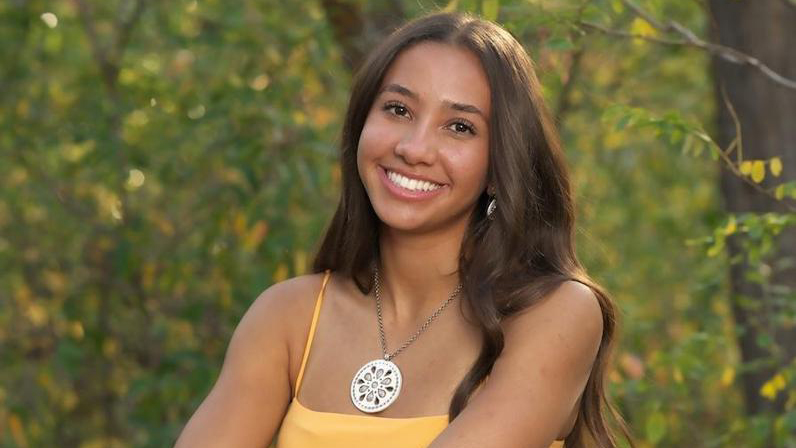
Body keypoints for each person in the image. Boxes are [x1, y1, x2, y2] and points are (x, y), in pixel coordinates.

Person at [174, 10, 634, 448]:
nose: (415, 149)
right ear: (360, 126)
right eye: (398, 110)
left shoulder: (553, 314)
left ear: (499, 167)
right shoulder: (288, 317)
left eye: (459, 127)